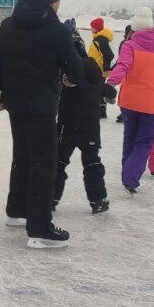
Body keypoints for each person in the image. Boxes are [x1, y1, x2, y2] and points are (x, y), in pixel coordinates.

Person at [0, 0, 81, 249]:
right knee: (43, 161)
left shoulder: (8, 24)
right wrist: (69, 80)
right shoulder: (56, 29)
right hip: (41, 105)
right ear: (55, 1)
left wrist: (0, 95)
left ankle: (17, 210)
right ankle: (40, 228)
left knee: (23, 155)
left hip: (15, 103)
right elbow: (74, 67)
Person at [54, 23, 116, 214]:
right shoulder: (94, 74)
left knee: (58, 162)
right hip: (90, 129)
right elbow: (110, 91)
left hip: (67, 126)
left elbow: (60, 87)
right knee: (92, 163)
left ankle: (50, 198)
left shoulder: (69, 73)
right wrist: (108, 93)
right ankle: (99, 200)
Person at [106, 7, 154, 193]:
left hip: (131, 101)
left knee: (130, 138)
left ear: (134, 28)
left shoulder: (129, 45)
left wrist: (111, 82)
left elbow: (123, 65)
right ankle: (130, 178)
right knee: (145, 141)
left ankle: (128, 175)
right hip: (153, 103)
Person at [88, 17, 114, 118]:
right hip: (96, 68)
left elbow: (108, 54)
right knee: (99, 89)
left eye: (93, 27)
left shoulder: (100, 39)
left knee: (97, 89)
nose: (91, 29)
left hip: (98, 69)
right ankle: (100, 110)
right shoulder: (99, 38)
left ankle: (100, 111)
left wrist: (105, 68)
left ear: (97, 28)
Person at [115, 24, 134, 123]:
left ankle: (126, 113)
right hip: (126, 72)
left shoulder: (127, 43)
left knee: (125, 93)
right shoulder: (126, 43)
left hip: (128, 72)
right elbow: (121, 58)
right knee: (124, 92)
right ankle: (124, 112)